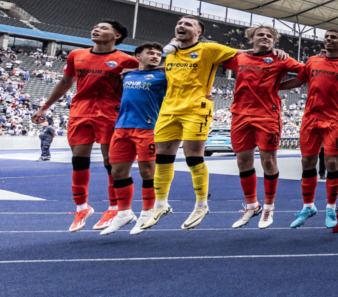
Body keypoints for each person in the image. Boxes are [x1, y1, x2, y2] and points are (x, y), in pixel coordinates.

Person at [34, 20, 137, 231]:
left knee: (112, 163)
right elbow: (65, 82)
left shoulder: (126, 60)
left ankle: (114, 208)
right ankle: (82, 207)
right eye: (95, 27)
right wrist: (45, 107)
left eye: (104, 28)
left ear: (116, 36)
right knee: (79, 160)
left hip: (110, 113)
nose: (96, 29)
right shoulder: (76, 55)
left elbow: (144, 82)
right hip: (80, 111)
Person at [146, 16, 243, 231]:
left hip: (196, 109)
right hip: (168, 109)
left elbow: (245, 56)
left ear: (198, 32)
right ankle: (160, 204)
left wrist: (272, 52)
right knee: (162, 158)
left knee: (193, 157)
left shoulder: (209, 49)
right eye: (179, 23)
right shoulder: (171, 53)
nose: (182, 25)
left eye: (188, 24)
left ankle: (201, 205)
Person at [280, 30, 338, 229]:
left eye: (334, 37)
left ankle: (331, 207)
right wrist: (272, 87)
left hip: (333, 121)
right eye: (327, 36)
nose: (329, 39)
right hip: (310, 120)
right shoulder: (313, 61)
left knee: (331, 162)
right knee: (307, 162)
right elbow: (298, 81)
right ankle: (308, 207)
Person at [222, 25, 304, 230]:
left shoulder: (281, 59)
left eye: (269, 36)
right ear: (252, 38)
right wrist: (241, 51)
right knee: (243, 161)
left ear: (274, 42)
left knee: (268, 160)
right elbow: (213, 55)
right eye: (260, 35)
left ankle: (269, 206)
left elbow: (306, 73)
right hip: (240, 115)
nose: (265, 38)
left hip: (267, 116)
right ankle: (252, 205)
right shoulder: (239, 58)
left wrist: (281, 86)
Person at [104, 43, 167, 235]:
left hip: (147, 128)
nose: (156, 56)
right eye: (150, 53)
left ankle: (148, 212)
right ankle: (124, 213)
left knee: (147, 172)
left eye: (158, 54)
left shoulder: (163, 76)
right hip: (121, 128)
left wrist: (165, 67)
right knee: (117, 172)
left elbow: (179, 70)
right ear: (138, 56)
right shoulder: (127, 75)